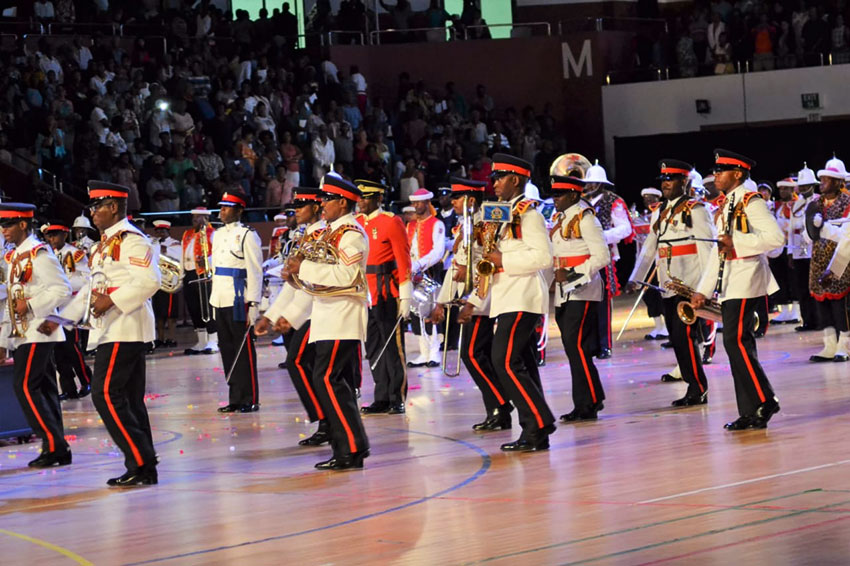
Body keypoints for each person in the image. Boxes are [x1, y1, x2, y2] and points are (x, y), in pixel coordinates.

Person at [45, 182, 161, 485]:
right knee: (131, 400)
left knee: (105, 394)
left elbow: (149, 281)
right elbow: (90, 289)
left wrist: (112, 299)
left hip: (125, 326)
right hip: (113, 327)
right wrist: (62, 318)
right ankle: (144, 466)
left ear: (113, 207)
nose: (93, 213)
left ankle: (140, 460)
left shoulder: (131, 240)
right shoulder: (104, 244)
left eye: (97, 206)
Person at [464, 153, 556, 452]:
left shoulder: (529, 215)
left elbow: (543, 257)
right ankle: (535, 427)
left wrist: (505, 259)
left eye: (499, 177)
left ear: (515, 180)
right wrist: (476, 300)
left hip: (523, 295)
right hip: (505, 297)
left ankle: (538, 422)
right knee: (517, 363)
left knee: (505, 361)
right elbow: (490, 262)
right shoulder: (500, 214)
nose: (494, 183)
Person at [281, 175, 371, 470]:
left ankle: (349, 448)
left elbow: (347, 276)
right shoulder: (328, 233)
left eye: (327, 200)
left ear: (343, 202)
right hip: (327, 313)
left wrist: (303, 266)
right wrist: (295, 274)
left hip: (343, 315)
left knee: (328, 380)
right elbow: (315, 275)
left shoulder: (351, 233)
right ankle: (350, 446)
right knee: (333, 381)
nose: (322, 205)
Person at [692, 150, 784, 430]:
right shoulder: (726, 204)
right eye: (716, 170)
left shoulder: (750, 201)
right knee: (736, 345)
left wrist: (737, 243)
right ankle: (750, 409)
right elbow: (716, 254)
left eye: (722, 171)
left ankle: (764, 400)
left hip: (747, 278)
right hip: (730, 281)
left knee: (736, 342)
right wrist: (703, 290)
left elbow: (775, 239)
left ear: (738, 174)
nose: (716, 175)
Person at [628, 160, 716, 406]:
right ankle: (692, 386)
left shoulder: (697, 210)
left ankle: (697, 388)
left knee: (685, 337)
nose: (666, 183)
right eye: (664, 179)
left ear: (684, 182)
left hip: (689, 284)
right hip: (668, 285)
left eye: (672, 179)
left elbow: (707, 250)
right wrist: (636, 277)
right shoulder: (659, 211)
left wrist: (705, 288)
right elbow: (649, 247)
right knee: (677, 339)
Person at [432, 177, 513, 431]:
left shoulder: (484, 224)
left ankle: (500, 404)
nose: (452, 201)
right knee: (479, 354)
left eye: (457, 197)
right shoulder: (465, 225)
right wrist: (442, 301)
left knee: (472, 354)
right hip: (467, 297)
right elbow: (456, 267)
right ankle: (497, 409)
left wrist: (474, 301)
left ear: (470, 199)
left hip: (481, 299)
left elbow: (485, 267)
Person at [0, 204, 72, 468]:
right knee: (44, 389)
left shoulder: (39, 254)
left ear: (23, 225)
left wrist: (30, 305)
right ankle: (57, 447)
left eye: (8, 224)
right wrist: (4, 341)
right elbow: (10, 301)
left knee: (25, 386)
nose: (3, 230)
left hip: (40, 330)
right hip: (24, 333)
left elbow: (62, 290)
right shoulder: (15, 256)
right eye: (1, 225)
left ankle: (54, 445)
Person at [257, 188, 330, 446]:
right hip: (304, 311)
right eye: (296, 205)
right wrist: (271, 315)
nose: (297, 209)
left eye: (302, 205)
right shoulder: (304, 236)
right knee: (308, 367)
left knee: (298, 362)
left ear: (316, 207)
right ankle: (326, 421)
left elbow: (314, 283)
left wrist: (291, 316)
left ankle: (327, 420)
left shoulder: (323, 235)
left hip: (319, 311)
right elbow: (293, 282)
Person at [549, 176, 610, 420]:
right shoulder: (559, 218)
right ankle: (591, 399)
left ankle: (588, 403)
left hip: (583, 290)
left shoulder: (585, 218)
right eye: (554, 194)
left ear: (574, 195)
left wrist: (573, 274)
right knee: (574, 348)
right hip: (564, 292)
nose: (555, 199)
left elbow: (602, 256)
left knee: (577, 347)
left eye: (560, 194)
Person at [356, 180, 413, 415]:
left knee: (392, 348)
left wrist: (406, 296)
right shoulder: (356, 224)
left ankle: (397, 396)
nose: (360, 202)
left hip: (387, 291)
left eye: (365, 198)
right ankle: (381, 396)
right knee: (373, 347)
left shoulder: (391, 221)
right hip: (364, 293)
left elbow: (403, 258)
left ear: (378, 199)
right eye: (359, 198)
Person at [210, 193, 263, 413]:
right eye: (221, 208)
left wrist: (254, 304)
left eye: (227, 208)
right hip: (220, 298)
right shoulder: (218, 234)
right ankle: (235, 396)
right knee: (227, 349)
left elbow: (255, 270)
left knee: (243, 351)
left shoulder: (247, 235)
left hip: (238, 298)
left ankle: (249, 397)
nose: (222, 211)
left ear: (239, 210)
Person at [583, 162, 634, 359]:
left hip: (604, 255)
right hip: (582, 256)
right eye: (589, 182)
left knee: (602, 301)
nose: (591, 186)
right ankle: (590, 343)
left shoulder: (613, 200)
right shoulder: (580, 201)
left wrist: (601, 236)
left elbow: (625, 229)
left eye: (595, 182)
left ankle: (605, 345)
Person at [806, 157, 850, 363]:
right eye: (821, 178)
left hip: (841, 259)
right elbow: (809, 234)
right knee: (821, 304)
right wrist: (812, 228)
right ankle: (829, 345)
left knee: (840, 305)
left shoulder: (847, 202)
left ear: (839, 182)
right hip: (818, 259)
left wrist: (823, 227)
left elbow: (846, 236)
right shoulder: (815, 203)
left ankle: (844, 345)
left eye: (827, 179)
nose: (822, 182)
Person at [43, 223, 92, 401]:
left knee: (72, 349)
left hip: (70, 307)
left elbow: (87, 279)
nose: (52, 239)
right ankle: (68, 387)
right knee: (59, 351)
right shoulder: (48, 255)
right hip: (54, 308)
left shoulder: (76, 254)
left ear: (65, 235)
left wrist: (65, 287)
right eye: (49, 236)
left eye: (55, 235)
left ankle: (86, 380)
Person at [406, 188, 446, 367]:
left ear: (427, 203)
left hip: (429, 271)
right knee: (416, 312)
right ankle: (423, 352)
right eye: (414, 203)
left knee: (431, 311)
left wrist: (420, 264)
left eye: (419, 203)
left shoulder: (437, 224)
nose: (415, 206)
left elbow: (438, 252)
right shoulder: (411, 225)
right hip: (413, 273)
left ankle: (434, 352)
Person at [181, 208, 218, 355]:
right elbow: (183, 253)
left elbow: (217, 253)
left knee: (207, 308)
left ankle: (213, 341)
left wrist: (207, 261)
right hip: (189, 273)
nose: (194, 220)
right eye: (193, 217)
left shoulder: (212, 233)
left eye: (198, 217)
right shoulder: (187, 234)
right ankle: (201, 341)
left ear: (206, 218)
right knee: (194, 308)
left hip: (204, 274)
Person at [789, 164, 819, 331]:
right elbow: (791, 231)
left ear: (812, 186)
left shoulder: (818, 201)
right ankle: (807, 320)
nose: (802, 189)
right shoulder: (796, 204)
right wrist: (790, 252)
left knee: (814, 287)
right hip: (799, 252)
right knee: (801, 288)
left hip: (814, 251)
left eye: (806, 186)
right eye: (801, 186)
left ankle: (819, 320)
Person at [635, 187, 667, 340]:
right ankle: (658, 326)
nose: (648, 201)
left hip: (660, 259)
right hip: (645, 260)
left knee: (661, 292)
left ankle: (666, 327)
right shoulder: (640, 217)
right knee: (648, 294)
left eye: (651, 198)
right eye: (645, 198)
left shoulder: (662, 212)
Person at [151, 220, 181, 349]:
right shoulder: (153, 243)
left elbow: (178, 258)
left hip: (170, 282)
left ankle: (172, 338)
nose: (160, 233)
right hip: (157, 282)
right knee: (158, 313)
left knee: (170, 313)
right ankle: (160, 338)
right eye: (158, 231)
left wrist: (165, 250)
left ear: (168, 231)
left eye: (162, 231)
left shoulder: (174, 244)